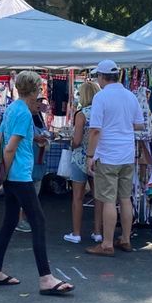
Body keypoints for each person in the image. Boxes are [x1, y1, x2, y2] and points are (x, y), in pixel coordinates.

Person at [0, 71, 74, 296]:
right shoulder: (24, 113)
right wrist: (4, 172)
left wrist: (3, 172)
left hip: (13, 175)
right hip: (19, 175)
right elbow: (10, 147)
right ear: (34, 90)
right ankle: (45, 278)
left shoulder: (12, 108)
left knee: (10, 221)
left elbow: (1, 139)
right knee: (38, 221)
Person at [84, 59, 144, 257]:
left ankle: (107, 244)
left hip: (108, 154)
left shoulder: (101, 97)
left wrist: (90, 155)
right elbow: (139, 124)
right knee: (125, 198)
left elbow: (95, 130)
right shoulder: (130, 96)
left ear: (102, 76)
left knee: (108, 199)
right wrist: (123, 125)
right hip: (127, 153)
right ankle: (125, 239)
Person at [64, 80, 102, 244]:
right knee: (98, 196)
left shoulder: (81, 114)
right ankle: (98, 232)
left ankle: (77, 233)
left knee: (78, 197)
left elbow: (77, 141)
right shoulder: (102, 112)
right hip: (98, 157)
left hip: (80, 158)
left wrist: (71, 142)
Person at [16, 98, 51, 233]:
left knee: (34, 190)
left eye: (41, 102)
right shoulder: (25, 117)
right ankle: (20, 220)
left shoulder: (38, 117)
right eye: (37, 102)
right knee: (27, 191)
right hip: (28, 159)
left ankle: (26, 217)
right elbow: (30, 136)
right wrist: (42, 138)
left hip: (38, 160)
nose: (40, 105)